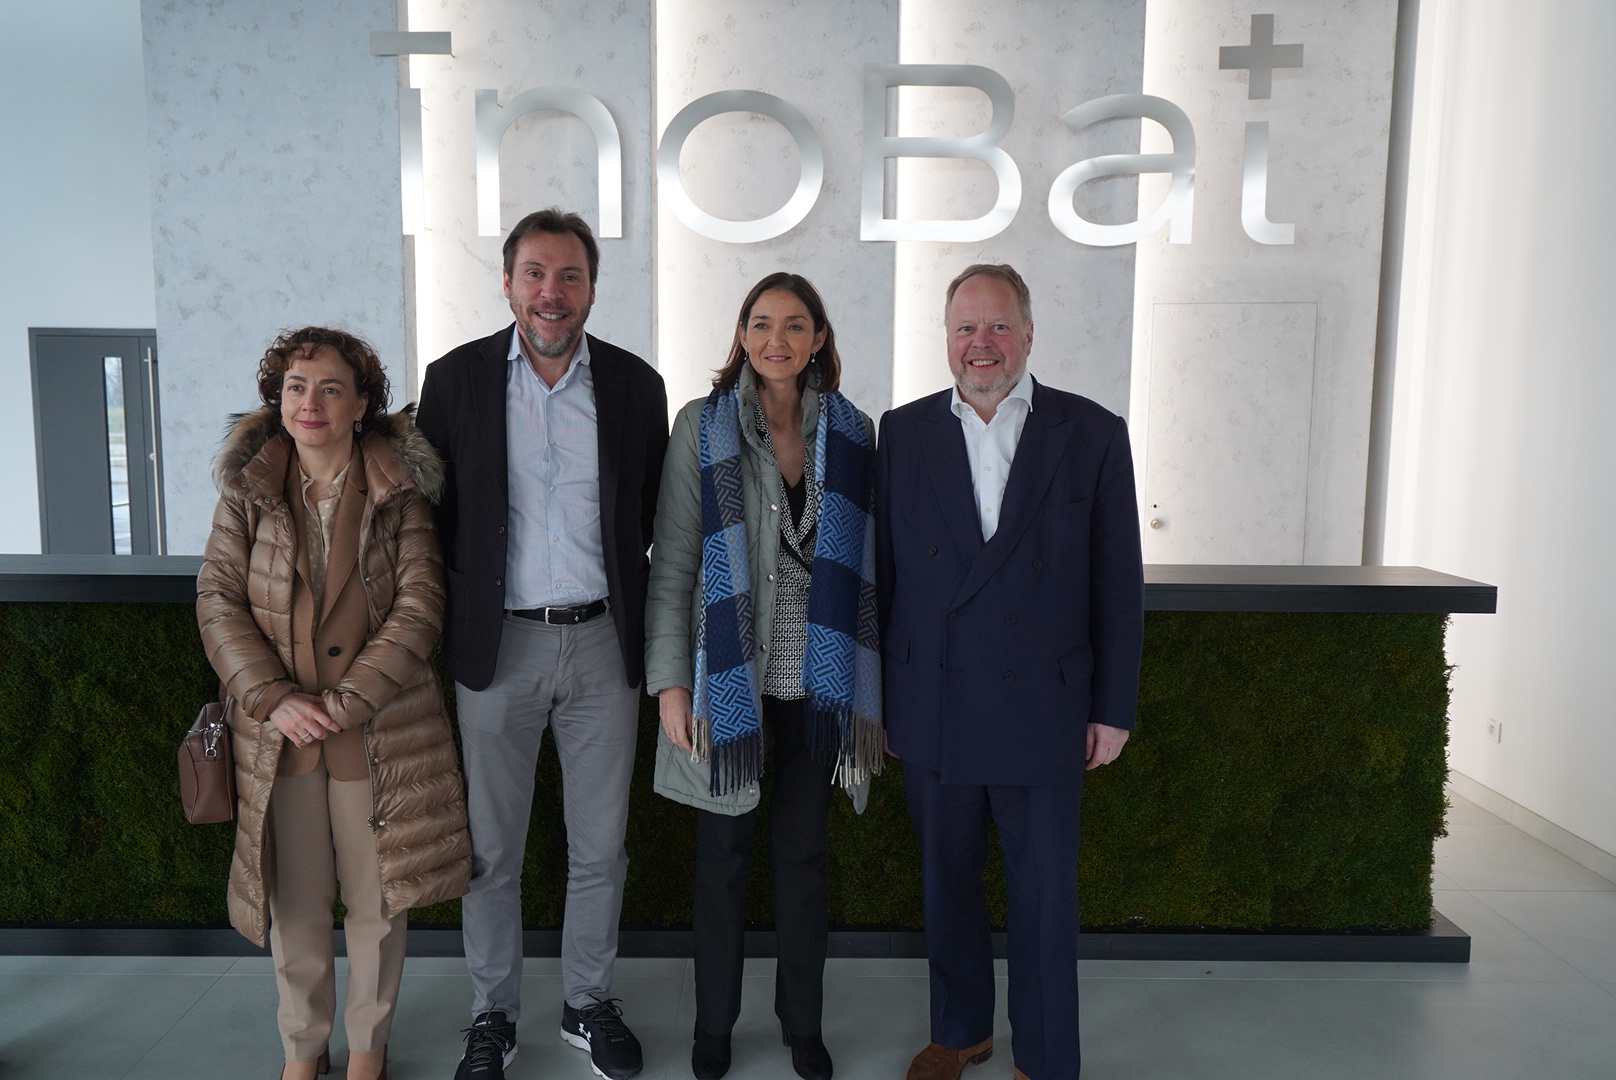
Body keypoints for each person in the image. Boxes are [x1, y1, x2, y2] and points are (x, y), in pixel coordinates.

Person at [415, 208, 669, 1080]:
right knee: (491, 852)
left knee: (601, 847)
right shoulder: (454, 381)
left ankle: (587, 1003)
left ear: (592, 288)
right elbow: (430, 517)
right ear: (507, 282)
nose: (551, 293)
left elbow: (648, 515)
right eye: (535, 274)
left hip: (603, 643)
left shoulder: (636, 385)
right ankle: (492, 1016)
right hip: (499, 646)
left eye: (569, 276)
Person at [876, 265, 1144, 1080]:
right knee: (946, 885)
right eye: (966, 327)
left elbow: (1117, 582)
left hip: (1045, 706)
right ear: (946, 338)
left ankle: (1047, 1057)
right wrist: (887, 701)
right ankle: (959, 1033)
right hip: (935, 699)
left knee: (1044, 898)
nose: (981, 344)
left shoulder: (1092, 432)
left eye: (998, 327)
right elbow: (885, 577)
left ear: (1028, 335)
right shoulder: (903, 431)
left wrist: (1113, 708)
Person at [197, 327, 473, 1080]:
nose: (309, 402)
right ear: (277, 399)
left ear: (360, 405)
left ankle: (368, 1050)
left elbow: (420, 605)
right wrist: (275, 699)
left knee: (378, 902)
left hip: (376, 732)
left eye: (329, 388)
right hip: (281, 736)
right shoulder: (247, 489)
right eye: (295, 387)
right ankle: (303, 1049)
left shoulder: (399, 488)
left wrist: (348, 702)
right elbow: (218, 601)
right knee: (295, 904)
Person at [645, 272, 883, 1080]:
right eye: (760, 323)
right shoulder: (701, 425)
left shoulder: (853, 432)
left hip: (819, 685)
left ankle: (801, 1026)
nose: (776, 339)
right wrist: (671, 683)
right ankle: (713, 1028)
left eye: (794, 324)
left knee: (804, 859)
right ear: (742, 335)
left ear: (819, 338)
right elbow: (675, 562)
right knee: (722, 860)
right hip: (728, 684)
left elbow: (869, 564)